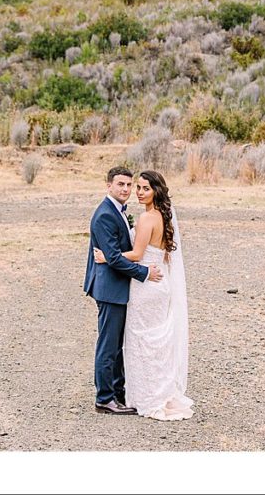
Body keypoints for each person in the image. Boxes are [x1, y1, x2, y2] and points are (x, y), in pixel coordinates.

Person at [93, 170, 193, 421]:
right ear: (110, 185)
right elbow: (164, 253)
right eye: (135, 187)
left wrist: (108, 257)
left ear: (156, 191)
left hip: (147, 284)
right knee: (154, 340)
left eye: (143, 188)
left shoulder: (148, 218)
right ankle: (148, 392)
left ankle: (142, 396)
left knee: (143, 341)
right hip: (157, 283)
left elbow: (136, 254)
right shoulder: (162, 217)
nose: (136, 191)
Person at [84, 166, 163, 415]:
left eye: (129, 185)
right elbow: (114, 258)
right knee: (108, 346)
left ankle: (118, 393)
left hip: (117, 287)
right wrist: (145, 273)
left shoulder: (118, 211)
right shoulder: (105, 215)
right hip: (109, 289)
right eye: (121, 184)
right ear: (109, 185)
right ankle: (104, 398)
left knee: (117, 344)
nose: (126, 190)